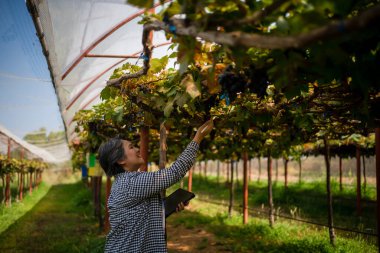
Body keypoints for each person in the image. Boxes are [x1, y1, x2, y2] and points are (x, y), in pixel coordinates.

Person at [98, 119, 214, 253]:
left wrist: (166, 207)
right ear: (121, 160)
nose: (137, 149)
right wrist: (198, 137)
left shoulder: (124, 182)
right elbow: (174, 172)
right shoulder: (130, 182)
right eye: (131, 147)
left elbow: (140, 213)